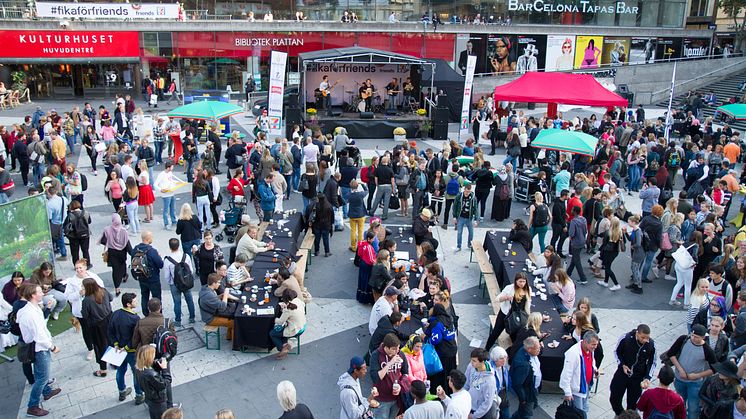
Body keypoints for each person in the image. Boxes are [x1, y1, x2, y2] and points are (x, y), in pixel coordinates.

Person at [17, 284, 62, 417]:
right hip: (40, 349)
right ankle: (33, 406)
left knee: (39, 374)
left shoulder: (28, 309)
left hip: (37, 346)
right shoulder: (31, 314)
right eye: (39, 292)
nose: (42, 293)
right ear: (32, 295)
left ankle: (47, 392)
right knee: (42, 378)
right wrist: (52, 347)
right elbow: (39, 336)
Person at [668, 324, 717, 419]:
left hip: (695, 383)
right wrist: (680, 369)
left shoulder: (707, 350)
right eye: (692, 335)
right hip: (679, 379)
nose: (693, 338)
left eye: (697, 337)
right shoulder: (683, 339)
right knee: (678, 404)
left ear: (703, 337)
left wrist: (697, 375)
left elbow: (714, 369)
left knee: (693, 408)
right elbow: (671, 354)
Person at [609, 324, 656, 415]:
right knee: (614, 398)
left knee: (633, 403)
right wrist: (622, 364)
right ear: (637, 333)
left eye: (647, 338)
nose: (645, 340)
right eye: (643, 337)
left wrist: (647, 377)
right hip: (623, 373)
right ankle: (621, 415)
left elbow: (652, 362)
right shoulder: (626, 338)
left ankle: (629, 416)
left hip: (638, 377)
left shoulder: (651, 344)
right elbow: (617, 352)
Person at [64, 259, 105, 361]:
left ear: (85, 268)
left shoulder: (93, 276)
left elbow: (101, 287)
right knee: (86, 330)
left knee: (98, 329)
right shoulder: (72, 281)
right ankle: (90, 349)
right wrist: (79, 293)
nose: (78, 270)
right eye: (76, 268)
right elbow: (68, 296)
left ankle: (101, 346)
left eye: (80, 268)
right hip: (81, 311)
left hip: (95, 309)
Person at [107, 292, 144, 404]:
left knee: (120, 371)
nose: (136, 302)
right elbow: (136, 337)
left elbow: (110, 331)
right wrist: (127, 347)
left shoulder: (115, 314)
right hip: (131, 352)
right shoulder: (135, 318)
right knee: (136, 373)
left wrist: (116, 345)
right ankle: (139, 395)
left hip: (118, 350)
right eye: (134, 301)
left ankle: (122, 391)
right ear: (128, 304)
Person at [485, 272, 531, 351]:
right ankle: (486, 349)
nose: (522, 283)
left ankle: (512, 353)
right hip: (506, 315)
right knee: (496, 332)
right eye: (520, 281)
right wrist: (505, 297)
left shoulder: (528, 289)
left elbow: (528, 303)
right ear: (516, 281)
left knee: (515, 336)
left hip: (519, 316)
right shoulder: (509, 288)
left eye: (524, 281)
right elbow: (497, 299)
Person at [559, 330, 600, 417]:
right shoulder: (573, 354)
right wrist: (568, 393)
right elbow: (566, 374)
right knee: (578, 414)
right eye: (593, 344)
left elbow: (592, 362)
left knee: (584, 409)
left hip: (586, 386)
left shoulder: (590, 349)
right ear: (585, 342)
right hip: (577, 390)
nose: (595, 347)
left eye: (596, 344)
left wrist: (594, 370)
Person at [369, 333, 409, 419]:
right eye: (394, 349)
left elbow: (405, 372)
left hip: (397, 397)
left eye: (398, 347)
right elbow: (375, 378)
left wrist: (400, 386)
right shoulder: (376, 355)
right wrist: (390, 364)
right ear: (386, 348)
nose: (397, 351)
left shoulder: (400, 354)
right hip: (382, 399)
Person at [163, 238, 195, 328]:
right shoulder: (186, 256)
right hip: (186, 282)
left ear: (170, 247)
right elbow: (191, 270)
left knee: (177, 302)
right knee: (189, 300)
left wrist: (171, 283)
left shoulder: (167, 260)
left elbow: (166, 275)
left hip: (175, 284)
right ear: (179, 245)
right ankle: (192, 317)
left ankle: (178, 320)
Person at [130, 231, 164, 315]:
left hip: (141, 277)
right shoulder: (152, 251)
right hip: (153, 279)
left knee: (144, 296)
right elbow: (160, 264)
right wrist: (159, 256)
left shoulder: (135, 249)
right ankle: (157, 314)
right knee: (156, 298)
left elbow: (133, 261)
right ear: (148, 239)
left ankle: (145, 314)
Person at [100, 213, 132, 297]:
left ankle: (117, 288)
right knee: (122, 264)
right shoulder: (123, 231)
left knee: (115, 270)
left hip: (112, 253)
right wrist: (133, 254)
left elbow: (102, 240)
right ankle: (124, 275)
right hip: (122, 253)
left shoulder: (108, 230)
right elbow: (128, 244)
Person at [271, 289, 307, 360]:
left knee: (272, 333)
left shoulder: (288, 309)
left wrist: (274, 318)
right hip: (302, 325)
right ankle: (285, 345)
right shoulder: (298, 301)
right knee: (282, 330)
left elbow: (280, 321)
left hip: (294, 329)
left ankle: (282, 349)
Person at [135, 345, 169, 419]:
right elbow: (165, 383)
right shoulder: (151, 375)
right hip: (158, 401)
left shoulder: (138, 368)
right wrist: (165, 369)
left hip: (149, 398)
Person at [198, 274, 235, 340]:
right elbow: (223, 306)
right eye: (218, 282)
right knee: (234, 323)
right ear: (213, 283)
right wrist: (226, 294)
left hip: (213, 313)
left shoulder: (207, 288)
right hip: (210, 318)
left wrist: (220, 296)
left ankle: (229, 337)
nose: (219, 284)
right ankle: (235, 343)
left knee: (233, 316)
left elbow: (213, 299)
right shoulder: (208, 294)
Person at [464, 348, 498, 419]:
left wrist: (474, 416)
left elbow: (487, 403)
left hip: (478, 411)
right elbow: (466, 383)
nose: (471, 362)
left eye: (474, 361)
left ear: (482, 362)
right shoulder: (471, 366)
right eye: (471, 360)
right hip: (468, 404)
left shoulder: (490, 381)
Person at [65, 200, 92, 266]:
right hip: (85, 234)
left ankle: (76, 265)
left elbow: (66, 225)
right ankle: (87, 263)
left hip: (73, 236)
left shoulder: (70, 215)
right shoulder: (86, 213)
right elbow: (89, 221)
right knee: (85, 250)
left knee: (75, 252)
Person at [567, 205, 589, 284]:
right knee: (575, 257)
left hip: (575, 242)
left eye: (572, 210)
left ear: (574, 212)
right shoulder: (584, 220)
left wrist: (570, 238)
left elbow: (571, 233)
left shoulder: (573, 221)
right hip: (582, 240)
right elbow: (586, 231)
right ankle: (568, 273)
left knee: (577, 260)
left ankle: (583, 278)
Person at [453, 183, 478, 252]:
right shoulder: (459, 196)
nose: (467, 193)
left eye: (469, 192)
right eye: (466, 191)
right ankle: (459, 246)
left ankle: (469, 244)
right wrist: (454, 216)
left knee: (471, 232)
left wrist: (475, 219)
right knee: (459, 232)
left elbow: (475, 208)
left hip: (469, 218)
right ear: (464, 189)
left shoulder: (473, 197)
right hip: (461, 217)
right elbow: (455, 206)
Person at [356, 231, 377, 304]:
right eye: (373, 238)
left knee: (362, 280)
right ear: (369, 239)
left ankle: (360, 297)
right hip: (367, 266)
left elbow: (359, 253)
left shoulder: (361, 243)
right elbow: (372, 259)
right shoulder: (369, 247)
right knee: (366, 281)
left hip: (362, 263)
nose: (374, 240)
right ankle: (366, 299)